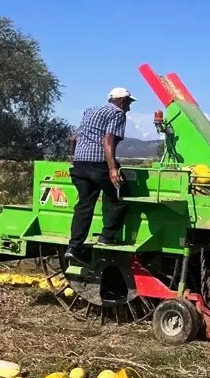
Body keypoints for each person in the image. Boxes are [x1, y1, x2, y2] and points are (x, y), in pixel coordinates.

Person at [64, 87, 135, 265]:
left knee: (84, 204)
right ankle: (107, 236)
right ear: (122, 101)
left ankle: (74, 247)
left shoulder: (90, 110)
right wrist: (112, 168)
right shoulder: (118, 113)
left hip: (80, 165)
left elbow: (73, 138)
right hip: (98, 165)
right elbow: (108, 140)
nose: (129, 108)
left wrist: (73, 159)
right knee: (122, 196)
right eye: (129, 103)